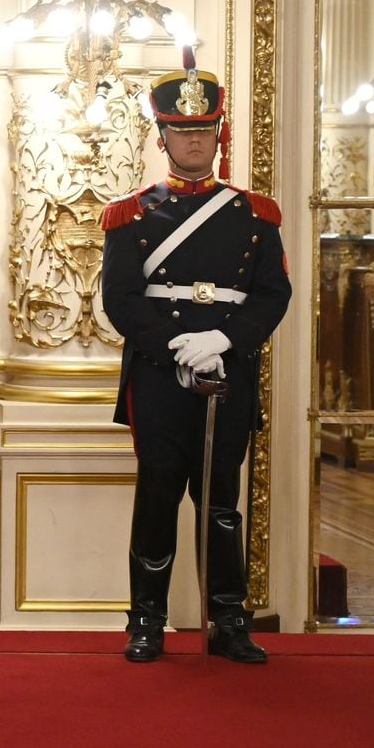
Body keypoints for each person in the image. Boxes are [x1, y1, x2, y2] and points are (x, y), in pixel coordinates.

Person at [100, 51, 291, 664]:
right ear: (162, 136)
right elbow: (122, 301)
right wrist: (178, 345)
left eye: (204, 129)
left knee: (222, 505)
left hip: (227, 377)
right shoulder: (131, 216)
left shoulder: (256, 216)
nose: (193, 140)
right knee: (157, 496)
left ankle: (229, 622)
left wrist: (224, 343)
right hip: (159, 379)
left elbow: (273, 294)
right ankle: (147, 622)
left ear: (219, 133)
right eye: (181, 130)